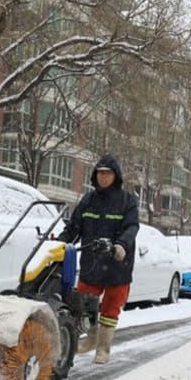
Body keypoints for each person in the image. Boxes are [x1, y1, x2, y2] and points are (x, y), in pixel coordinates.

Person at [56, 153, 139, 364]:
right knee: (84, 304)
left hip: (117, 264)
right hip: (91, 263)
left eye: (107, 174)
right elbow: (74, 227)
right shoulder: (88, 200)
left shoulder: (127, 201)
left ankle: (103, 348)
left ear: (115, 176)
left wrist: (120, 245)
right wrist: (60, 244)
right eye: (100, 173)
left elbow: (131, 227)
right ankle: (91, 337)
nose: (103, 177)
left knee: (110, 308)